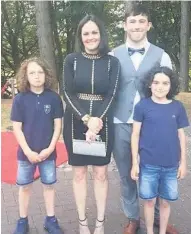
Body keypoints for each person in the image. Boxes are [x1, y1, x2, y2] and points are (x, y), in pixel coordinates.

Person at [112, 3, 179, 234]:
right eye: (132, 21)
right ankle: (133, 218)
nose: (137, 25)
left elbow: (169, 91)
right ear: (125, 25)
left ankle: (159, 218)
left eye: (141, 21)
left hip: (152, 126)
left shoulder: (162, 55)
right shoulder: (113, 55)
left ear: (148, 25)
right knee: (126, 173)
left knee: (157, 170)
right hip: (121, 122)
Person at [62, 15, 120, 234]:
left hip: (104, 120)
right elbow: (67, 92)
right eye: (85, 33)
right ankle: (82, 222)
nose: (90, 37)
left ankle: (100, 222)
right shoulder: (72, 60)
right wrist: (87, 119)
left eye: (94, 32)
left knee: (101, 174)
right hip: (76, 121)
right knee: (78, 174)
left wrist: (97, 121)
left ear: (101, 35)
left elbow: (113, 93)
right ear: (80, 36)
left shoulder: (112, 62)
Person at [131, 66, 189, 234]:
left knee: (165, 202)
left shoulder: (177, 107)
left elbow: (181, 136)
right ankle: (150, 231)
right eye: (156, 82)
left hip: (171, 165)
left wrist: (183, 163)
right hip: (148, 165)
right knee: (149, 201)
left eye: (165, 83)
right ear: (149, 84)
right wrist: (135, 162)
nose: (160, 86)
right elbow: (135, 135)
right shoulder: (142, 106)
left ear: (171, 86)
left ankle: (162, 231)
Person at [11, 57, 64, 234]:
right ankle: (22, 220)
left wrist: (50, 148)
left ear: (46, 75)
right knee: (24, 187)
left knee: (49, 186)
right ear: (25, 75)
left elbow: (58, 125)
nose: (36, 76)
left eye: (40, 72)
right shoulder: (20, 99)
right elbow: (17, 128)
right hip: (26, 154)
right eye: (32, 72)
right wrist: (27, 151)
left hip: (48, 153)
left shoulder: (54, 98)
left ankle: (50, 219)